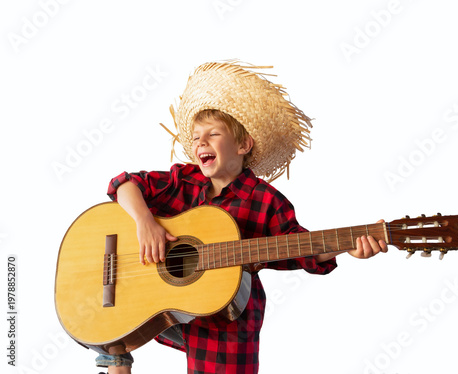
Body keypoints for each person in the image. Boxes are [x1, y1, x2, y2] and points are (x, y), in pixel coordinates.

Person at [96, 61, 388, 373]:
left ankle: (119, 340)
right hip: (166, 306)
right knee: (111, 327)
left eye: (213, 134)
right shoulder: (185, 179)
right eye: (195, 137)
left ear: (243, 144)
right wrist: (145, 223)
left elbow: (301, 247)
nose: (200, 143)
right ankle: (117, 345)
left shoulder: (265, 200)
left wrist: (345, 244)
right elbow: (123, 184)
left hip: (226, 321)